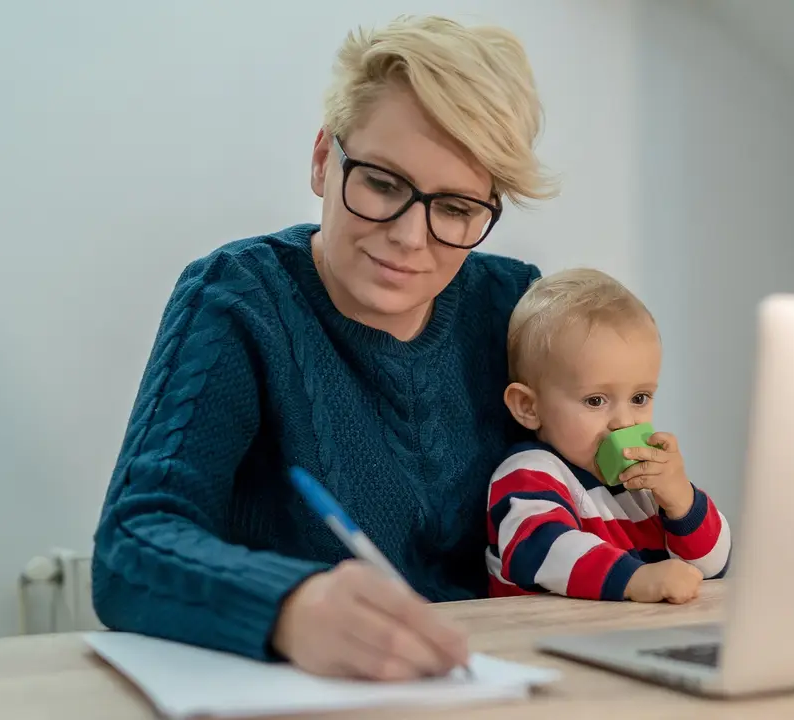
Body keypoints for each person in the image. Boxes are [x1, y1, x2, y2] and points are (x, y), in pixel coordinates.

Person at [91, 15, 557, 681]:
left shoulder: (513, 305)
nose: (408, 237)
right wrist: (292, 606)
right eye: (382, 183)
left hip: (491, 678)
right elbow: (130, 546)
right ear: (321, 161)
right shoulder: (239, 297)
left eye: (455, 208)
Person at [485, 269, 731, 603]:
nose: (624, 422)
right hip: (543, 639)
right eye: (596, 401)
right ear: (528, 406)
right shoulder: (530, 472)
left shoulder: (641, 488)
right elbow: (541, 547)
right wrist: (635, 578)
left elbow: (711, 567)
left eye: (640, 398)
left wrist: (680, 500)